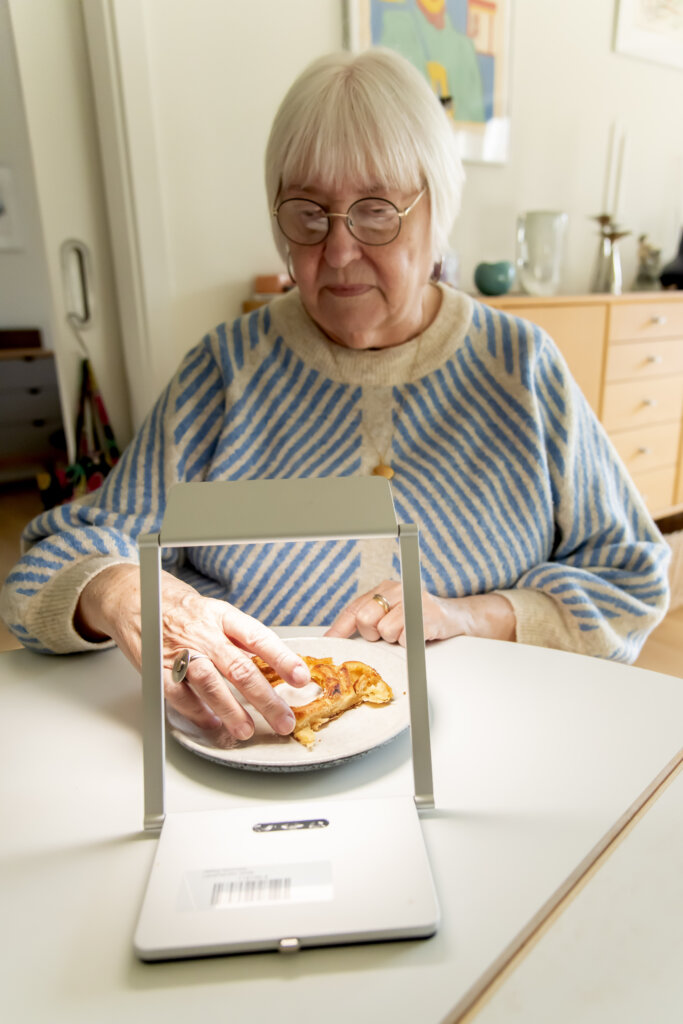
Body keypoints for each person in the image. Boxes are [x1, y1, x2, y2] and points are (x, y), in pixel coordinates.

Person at [0, 49, 670, 744]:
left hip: (486, 751)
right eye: (308, 214)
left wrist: (479, 614)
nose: (341, 250)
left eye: (376, 211)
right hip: (249, 755)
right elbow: (51, 566)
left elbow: (629, 576)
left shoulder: (520, 369)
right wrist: (124, 594)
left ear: (435, 208)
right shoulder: (224, 371)